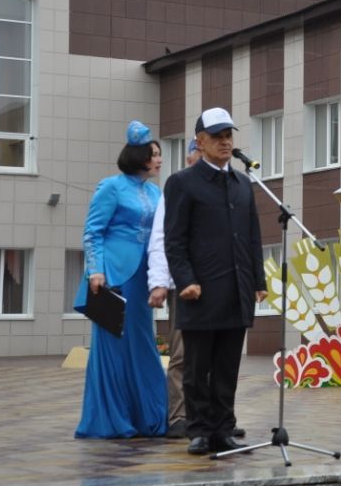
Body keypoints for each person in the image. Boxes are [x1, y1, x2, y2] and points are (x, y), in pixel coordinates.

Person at [163, 108, 268, 456]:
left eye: (229, 136)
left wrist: (258, 278)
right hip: (200, 291)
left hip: (236, 290)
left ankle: (224, 429)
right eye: (217, 136)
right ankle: (199, 430)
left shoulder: (242, 182)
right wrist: (185, 279)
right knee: (197, 367)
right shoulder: (182, 182)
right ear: (200, 141)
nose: (225, 142)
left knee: (227, 366)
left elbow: (253, 235)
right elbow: (174, 240)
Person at [147, 138, 249, 440]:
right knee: (185, 356)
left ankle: (219, 421)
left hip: (221, 286)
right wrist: (160, 282)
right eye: (193, 154)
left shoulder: (230, 185)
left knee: (220, 358)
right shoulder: (179, 187)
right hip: (186, 285)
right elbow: (164, 238)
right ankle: (182, 417)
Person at [74, 120, 167, 438]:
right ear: (139, 155)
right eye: (154, 154)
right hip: (113, 276)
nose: (159, 159)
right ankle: (112, 420)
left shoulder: (155, 191)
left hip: (143, 275)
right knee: (112, 346)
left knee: (143, 344)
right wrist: (95, 270)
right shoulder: (111, 187)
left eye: (159, 154)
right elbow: (92, 232)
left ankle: (150, 418)